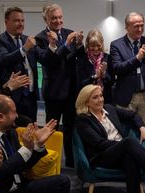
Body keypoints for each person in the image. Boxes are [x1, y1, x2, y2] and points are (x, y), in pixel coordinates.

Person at [35, 3, 84, 168]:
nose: (58, 21)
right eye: (54, 18)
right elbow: (47, 60)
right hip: (54, 92)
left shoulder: (69, 33)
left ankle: (71, 162)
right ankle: (50, 161)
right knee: (51, 130)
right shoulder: (40, 38)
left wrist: (79, 45)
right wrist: (63, 45)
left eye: (60, 17)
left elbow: (79, 57)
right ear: (46, 19)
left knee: (71, 129)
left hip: (72, 91)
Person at [109, 12, 145, 159]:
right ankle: (126, 163)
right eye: (136, 26)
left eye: (142, 25)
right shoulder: (116, 45)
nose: (140, 29)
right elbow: (117, 68)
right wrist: (137, 58)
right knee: (125, 130)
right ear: (127, 27)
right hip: (126, 96)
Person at [0, 7, 43, 122]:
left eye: (22, 21)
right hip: (12, 97)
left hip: (31, 96)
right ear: (6, 22)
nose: (20, 24)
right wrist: (25, 49)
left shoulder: (28, 39)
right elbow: (4, 59)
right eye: (17, 20)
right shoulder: (0, 40)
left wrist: (53, 46)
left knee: (31, 130)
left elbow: (43, 57)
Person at [76, 28, 113, 103]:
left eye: (98, 45)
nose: (96, 48)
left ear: (102, 44)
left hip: (105, 98)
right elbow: (81, 83)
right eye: (92, 46)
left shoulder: (107, 57)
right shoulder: (83, 58)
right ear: (88, 45)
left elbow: (112, 81)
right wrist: (95, 76)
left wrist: (103, 74)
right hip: (87, 98)